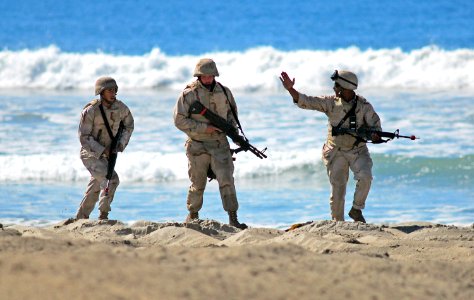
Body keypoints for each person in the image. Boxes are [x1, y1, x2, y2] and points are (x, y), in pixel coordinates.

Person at [279, 70, 382, 223]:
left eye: (337, 85)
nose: (334, 88)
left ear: (346, 88)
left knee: (366, 177)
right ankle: (338, 223)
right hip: (336, 151)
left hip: (357, 150)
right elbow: (307, 101)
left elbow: (376, 128)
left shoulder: (364, 106)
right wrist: (290, 89)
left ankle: (356, 209)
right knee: (338, 189)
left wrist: (375, 135)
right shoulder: (331, 103)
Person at [173, 58, 247, 229]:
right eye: (204, 76)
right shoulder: (188, 95)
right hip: (198, 144)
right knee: (198, 183)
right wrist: (204, 128)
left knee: (227, 180)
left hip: (220, 144)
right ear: (198, 76)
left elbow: (232, 116)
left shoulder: (225, 92)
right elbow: (179, 120)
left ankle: (233, 218)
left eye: (210, 76)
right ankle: (193, 216)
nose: (207, 79)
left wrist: (233, 132)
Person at [74, 76, 134, 221]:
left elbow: (129, 125)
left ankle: (80, 218)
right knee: (112, 180)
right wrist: (102, 150)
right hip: (91, 154)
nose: (113, 93)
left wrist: (119, 144)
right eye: (109, 91)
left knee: (94, 188)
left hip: (109, 154)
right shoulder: (91, 111)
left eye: (114, 90)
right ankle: (103, 215)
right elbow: (84, 137)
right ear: (101, 92)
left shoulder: (121, 108)